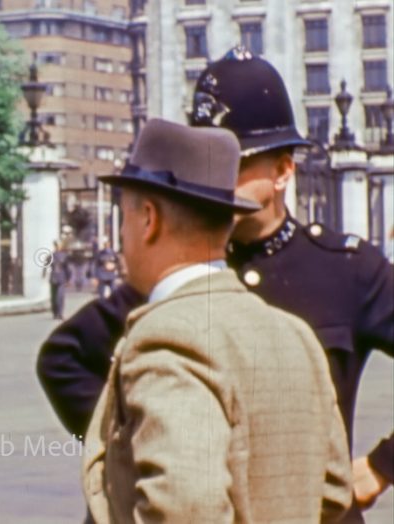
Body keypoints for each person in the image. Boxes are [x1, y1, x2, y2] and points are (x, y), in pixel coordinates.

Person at [38, 47, 393, 520]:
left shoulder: (346, 269)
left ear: (284, 169)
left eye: (236, 164)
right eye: (208, 162)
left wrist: (381, 465)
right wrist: (138, 443)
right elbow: (63, 359)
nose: (218, 180)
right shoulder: (176, 268)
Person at [83, 118, 352, 521]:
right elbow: (332, 490)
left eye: (122, 217)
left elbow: (186, 508)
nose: (121, 236)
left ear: (148, 220)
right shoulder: (295, 335)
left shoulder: (167, 340)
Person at [46, 240, 71, 319]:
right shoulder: (50, 256)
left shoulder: (64, 256)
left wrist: (68, 279)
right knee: (53, 297)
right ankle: (55, 312)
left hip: (62, 278)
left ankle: (60, 313)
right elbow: (46, 266)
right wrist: (44, 274)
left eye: (58, 245)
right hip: (53, 278)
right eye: (56, 245)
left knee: (60, 296)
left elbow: (67, 268)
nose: (57, 247)